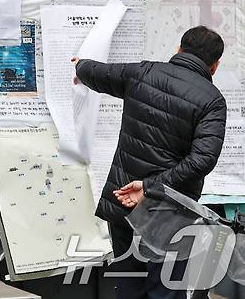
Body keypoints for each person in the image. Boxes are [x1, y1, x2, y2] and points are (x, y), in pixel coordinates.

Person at [72, 26, 227, 299]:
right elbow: (202, 160)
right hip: (171, 215)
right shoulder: (212, 101)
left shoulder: (143, 73)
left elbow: (97, 72)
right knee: (165, 291)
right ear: (214, 66)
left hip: (123, 203)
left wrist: (80, 66)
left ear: (179, 49)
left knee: (128, 287)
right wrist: (150, 187)